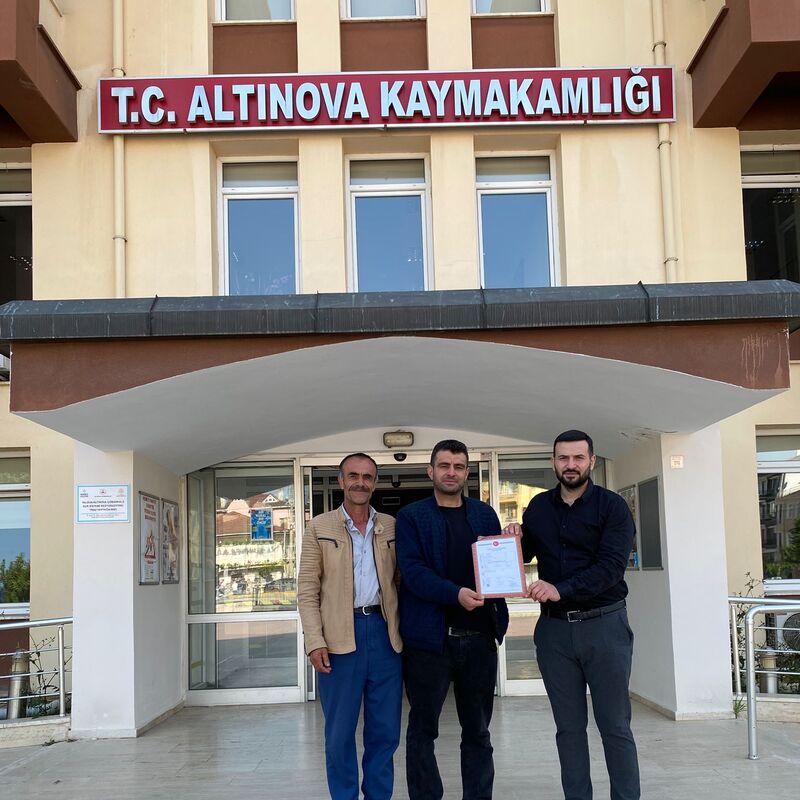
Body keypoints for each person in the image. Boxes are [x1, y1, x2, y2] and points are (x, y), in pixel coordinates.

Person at [507, 429, 640, 800]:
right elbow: (522, 555)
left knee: (615, 726)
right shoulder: (538, 508)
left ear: (591, 461)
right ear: (553, 462)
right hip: (554, 633)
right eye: (563, 458)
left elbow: (610, 568)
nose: (570, 465)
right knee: (568, 729)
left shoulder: (613, 508)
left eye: (578, 458)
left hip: (605, 626)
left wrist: (560, 589)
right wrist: (513, 539)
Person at [396, 439, 508, 800]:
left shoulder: (485, 515)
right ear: (430, 470)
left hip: (479, 639)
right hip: (430, 643)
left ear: (467, 473)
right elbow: (413, 572)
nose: (451, 473)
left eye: (458, 467)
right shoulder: (412, 517)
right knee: (422, 730)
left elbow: (498, 565)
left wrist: (512, 549)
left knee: (478, 731)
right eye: (444, 465)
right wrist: (455, 593)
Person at [298, 452, 402, 800]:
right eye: (353, 476)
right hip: (339, 638)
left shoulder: (391, 526)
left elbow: (402, 580)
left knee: (385, 732)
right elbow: (307, 589)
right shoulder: (319, 527)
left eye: (367, 476)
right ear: (341, 481)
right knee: (339, 734)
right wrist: (314, 640)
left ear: (375, 482)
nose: (360, 482)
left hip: (384, 636)